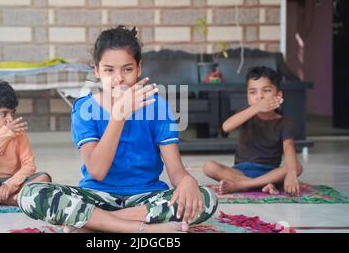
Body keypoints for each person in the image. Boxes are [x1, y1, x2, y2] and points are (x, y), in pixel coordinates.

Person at [17, 25, 218, 233]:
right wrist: (118, 116)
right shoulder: (85, 108)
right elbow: (97, 171)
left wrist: (187, 181)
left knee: (205, 198)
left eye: (127, 69)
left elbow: (176, 171)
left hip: (145, 198)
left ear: (139, 68)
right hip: (97, 197)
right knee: (30, 194)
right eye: (108, 70)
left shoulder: (157, 107)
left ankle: (95, 223)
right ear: (96, 70)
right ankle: (143, 229)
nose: (118, 78)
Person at [203, 66, 303, 196]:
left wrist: (291, 172)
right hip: (240, 172)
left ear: (278, 95)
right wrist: (255, 108)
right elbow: (226, 127)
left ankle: (243, 185)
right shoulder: (246, 114)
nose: (259, 96)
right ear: (247, 96)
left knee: (297, 167)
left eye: (266, 90)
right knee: (209, 166)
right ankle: (261, 185)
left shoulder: (284, 122)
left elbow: (289, 147)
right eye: (253, 92)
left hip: (269, 173)